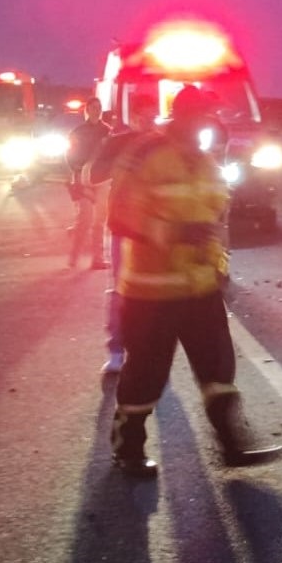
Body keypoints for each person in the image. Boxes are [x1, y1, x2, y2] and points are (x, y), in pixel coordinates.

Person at [107, 85, 282, 477]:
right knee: (146, 375)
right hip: (150, 293)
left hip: (200, 289)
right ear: (183, 115)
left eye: (212, 114)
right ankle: (128, 448)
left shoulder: (207, 163)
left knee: (218, 369)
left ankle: (232, 444)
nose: (210, 121)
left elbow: (213, 224)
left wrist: (220, 271)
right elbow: (119, 215)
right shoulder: (145, 155)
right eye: (203, 114)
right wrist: (176, 234)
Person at [88, 97, 158, 374]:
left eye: (153, 115)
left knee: (152, 292)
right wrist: (121, 160)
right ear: (134, 116)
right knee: (120, 290)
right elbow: (94, 174)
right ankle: (116, 349)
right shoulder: (117, 141)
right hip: (123, 225)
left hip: (154, 229)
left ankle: (147, 348)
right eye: (144, 114)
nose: (148, 120)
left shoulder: (162, 144)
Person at [64, 97, 111, 269]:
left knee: (99, 221)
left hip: (101, 180)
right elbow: (70, 155)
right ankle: (74, 257)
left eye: (99, 107)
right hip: (83, 179)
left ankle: (97, 259)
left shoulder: (108, 131)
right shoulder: (78, 131)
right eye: (93, 107)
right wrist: (78, 173)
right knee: (85, 218)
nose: (96, 110)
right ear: (87, 110)